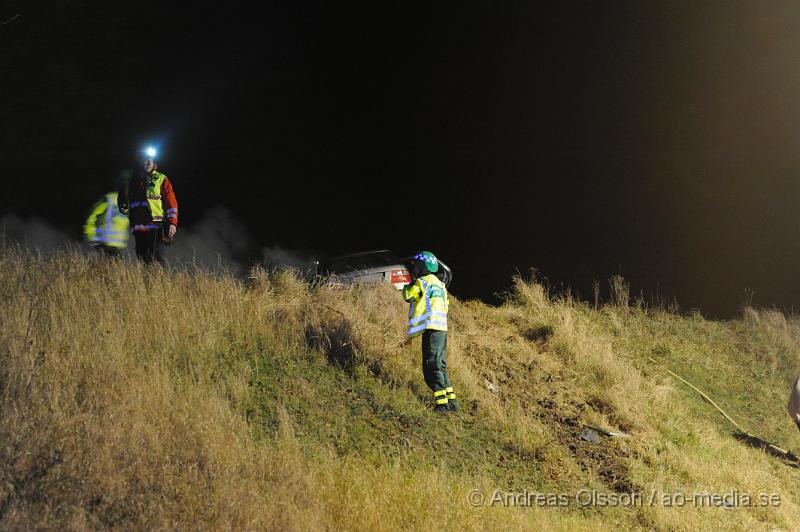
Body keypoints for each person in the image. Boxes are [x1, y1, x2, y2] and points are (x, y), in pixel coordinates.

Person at [402, 251, 459, 413]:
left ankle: (442, 404)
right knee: (440, 365)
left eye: (415, 267)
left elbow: (407, 295)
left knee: (431, 366)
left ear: (421, 268)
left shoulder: (422, 282)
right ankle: (452, 402)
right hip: (441, 329)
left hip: (431, 329)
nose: (413, 269)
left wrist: (411, 282)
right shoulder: (440, 284)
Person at [118, 147, 179, 263]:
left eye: (150, 159)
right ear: (139, 162)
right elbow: (122, 198)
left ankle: (161, 281)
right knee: (143, 260)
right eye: (144, 160)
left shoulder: (161, 179)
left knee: (158, 259)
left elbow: (171, 202)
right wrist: (123, 206)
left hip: (157, 226)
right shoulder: (131, 180)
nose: (147, 162)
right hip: (139, 228)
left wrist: (172, 222)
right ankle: (147, 282)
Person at [83, 191, 130, 257]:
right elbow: (92, 215)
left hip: (118, 245)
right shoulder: (110, 200)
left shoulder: (127, 204)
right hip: (105, 243)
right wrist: (90, 234)